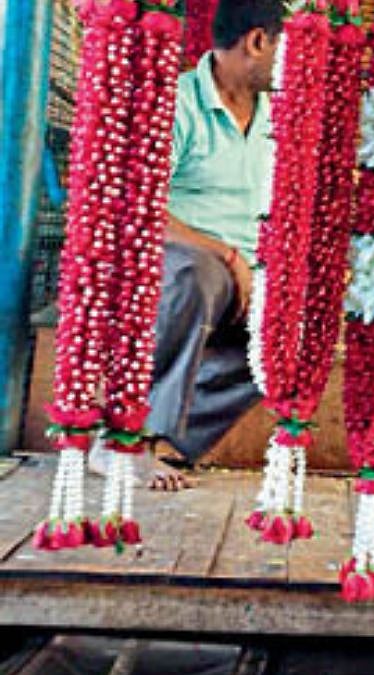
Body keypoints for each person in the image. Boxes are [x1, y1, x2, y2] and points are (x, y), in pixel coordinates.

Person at [90, 0, 283, 490]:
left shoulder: (278, 118)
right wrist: (228, 256)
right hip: (178, 267)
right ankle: (119, 440)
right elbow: (140, 205)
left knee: (293, 336)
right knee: (201, 275)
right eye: (285, 48)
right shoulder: (176, 103)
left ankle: (170, 439)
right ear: (257, 42)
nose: (289, 63)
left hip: (249, 277)